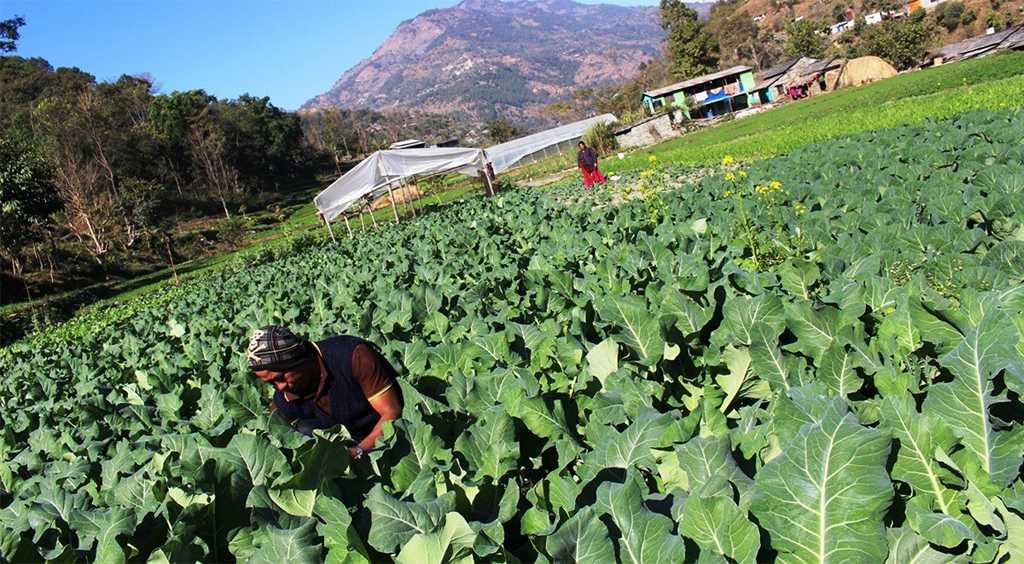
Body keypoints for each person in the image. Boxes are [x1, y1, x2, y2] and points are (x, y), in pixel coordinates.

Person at [247, 325, 403, 459]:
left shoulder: (352, 356)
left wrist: (358, 452)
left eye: (280, 377)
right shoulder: (283, 398)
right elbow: (276, 436)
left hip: (393, 443)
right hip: (344, 450)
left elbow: (392, 413)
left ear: (298, 359)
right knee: (302, 431)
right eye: (271, 383)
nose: (280, 387)